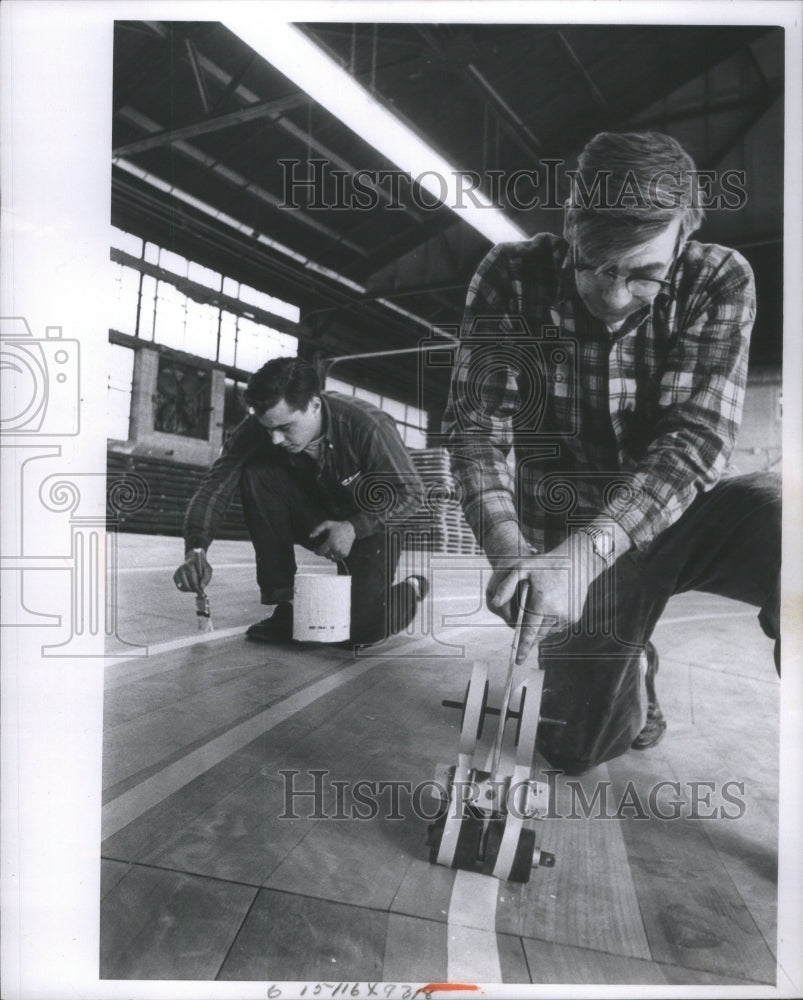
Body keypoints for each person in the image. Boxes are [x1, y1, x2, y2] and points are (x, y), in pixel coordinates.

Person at [442, 131, 781, 776]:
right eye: (599, 265)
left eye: (646, 275)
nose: (616, 295)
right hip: (566, 529)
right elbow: (476, 430)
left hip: (683, 520)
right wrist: (512, 549)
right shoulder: (511, 276)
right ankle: (632, 664)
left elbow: (696, 439)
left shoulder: (721, 278)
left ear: (683, 236)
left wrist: (587, 552)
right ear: (571, 223)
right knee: (575, 750)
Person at [173, 356, 428, 647]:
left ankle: (412, 589)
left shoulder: (368, 427)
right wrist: (196, 548)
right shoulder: (260, 429)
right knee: (256, 473)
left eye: (285, 427)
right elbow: (215, 486)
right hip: (316, 516)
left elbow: (411, 493)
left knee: (358, 632)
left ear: (315, 406)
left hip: (372, 527)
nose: (275, 440)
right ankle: (286, 602)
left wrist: (355, 527)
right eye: (268, 428)